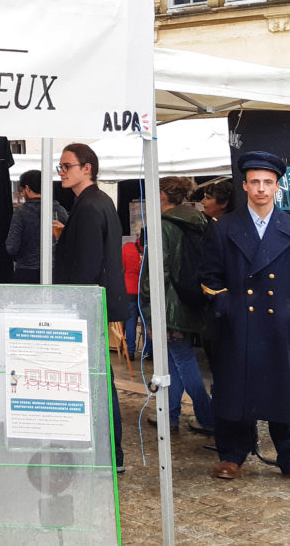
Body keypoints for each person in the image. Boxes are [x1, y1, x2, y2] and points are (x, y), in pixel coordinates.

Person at [200, 151, 290, 486]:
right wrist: (229, 309)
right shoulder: (223, 228)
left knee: (284, 392)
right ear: (245, 185)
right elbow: (210, 277)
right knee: (234, 388)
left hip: (279, 327)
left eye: (268, 182)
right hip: (238, 324)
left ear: (277, 187)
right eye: (255, 182)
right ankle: (232, 454)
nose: (261, 189)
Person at [52, 143, 126, 470]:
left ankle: (108, 454)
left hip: (86, 307)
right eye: (61, 167)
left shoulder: (89, 206)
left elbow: (86, 264)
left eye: (68, 166)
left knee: (95, 381)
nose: (62, 172)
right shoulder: (97, 203)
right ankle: (109, 453)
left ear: (88, 168)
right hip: (95, 305)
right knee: (98, 380)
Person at [140, 177, 213, 435]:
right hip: (191, 300)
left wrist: (147, 309)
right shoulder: (199, 220)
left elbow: (156, 272)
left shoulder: (162, 226)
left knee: (182, 359)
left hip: (169, 305)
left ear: (162, 195)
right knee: (173, 360)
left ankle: (208, 416)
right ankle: (170, 414)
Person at [5, 169, 68, 284]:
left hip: (26, 272)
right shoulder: (60, 210)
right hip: (55, 271)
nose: (22, 194)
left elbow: (11, 247)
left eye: (22, 190)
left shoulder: (21, 213)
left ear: (27, 189)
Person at [122, 231, 147, 359]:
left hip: (129, 291)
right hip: (145, 293)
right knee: (146, 322)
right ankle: (149, 352)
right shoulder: (151, 250)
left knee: (130, 322)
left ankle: (130, 352)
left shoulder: (127, 248)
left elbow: (122, 267)